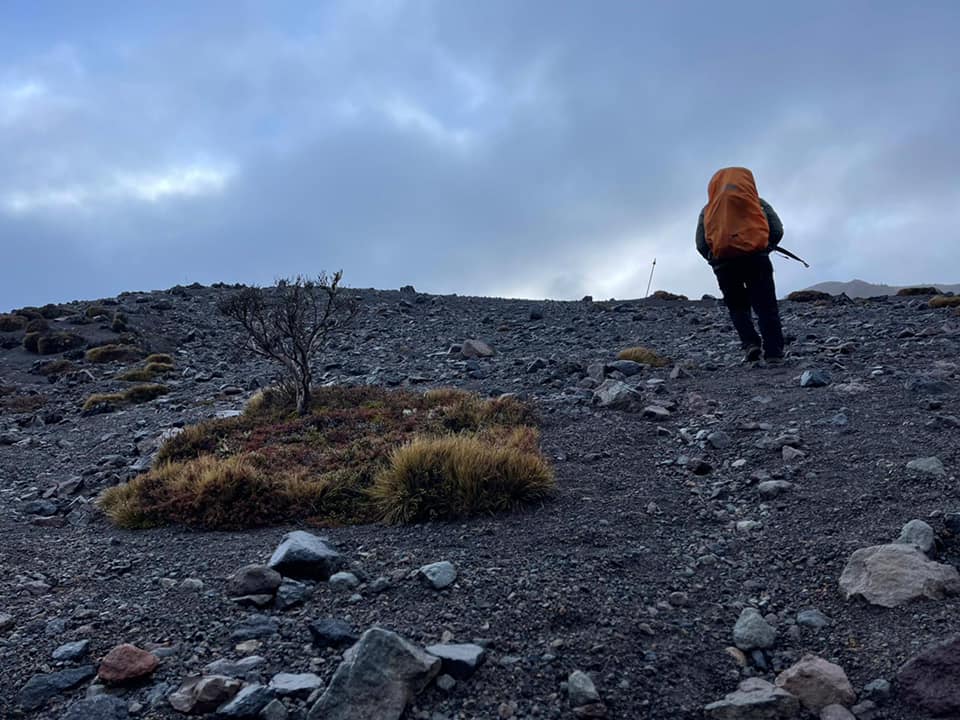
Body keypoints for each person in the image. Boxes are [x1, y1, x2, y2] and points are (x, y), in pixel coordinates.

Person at [695, 167, 785, 363]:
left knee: (737, 307)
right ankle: (774, 352)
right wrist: (765, 247)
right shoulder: (757, 203)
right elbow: (777, 229)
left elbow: (701, 243)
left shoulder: (708, 209)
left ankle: (750, 344)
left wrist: (714, 258)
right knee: (766, 306)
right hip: (757, 259)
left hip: (724, 265)